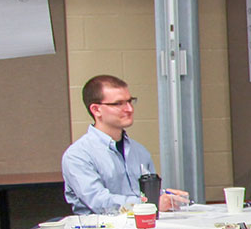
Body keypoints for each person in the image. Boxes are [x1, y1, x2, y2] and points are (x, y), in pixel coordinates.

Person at [61, 74, 188, 215]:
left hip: (143, 226)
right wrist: (151, 203)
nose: (129, 109)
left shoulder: (139, 151)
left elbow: (144, 193)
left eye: (130, 101)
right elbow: (99, 202)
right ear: (96, 110)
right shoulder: (78, 155)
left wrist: (167, 197)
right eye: (118, 103)